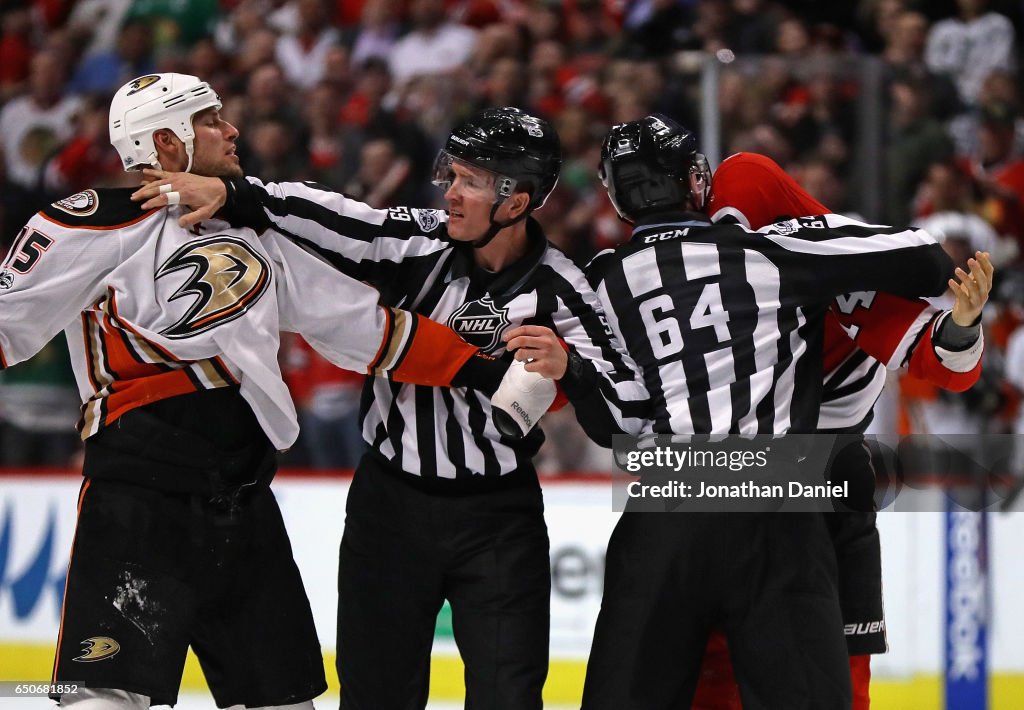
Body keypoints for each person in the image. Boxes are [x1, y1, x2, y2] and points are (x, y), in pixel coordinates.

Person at [0, 74, 539, 710]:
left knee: (285, 703)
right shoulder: (79, 227)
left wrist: (484, 372)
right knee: (102, 697)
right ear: (167, 143)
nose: (231, 130)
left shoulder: (254, 228)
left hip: (244, 498)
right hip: (138, 500)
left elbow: (359, 325)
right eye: (210, 121)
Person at [132, 107, 648, 709]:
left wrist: (573, 371)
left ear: (516, 201)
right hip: (389, 508)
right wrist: (233, 192)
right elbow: (330, 214)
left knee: (508, 698)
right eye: (450, 174)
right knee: (376, 695)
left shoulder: (563, 289)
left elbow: (628, 423)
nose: (450, 193)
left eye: (470, 181)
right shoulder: (417, 240)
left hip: (500, 520)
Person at [510, 114, 953, 709]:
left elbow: (616, 424)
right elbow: (924, 254)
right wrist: (817, 232)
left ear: (617, 200)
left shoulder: (598, 284)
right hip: (779, 509)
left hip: (666, 511)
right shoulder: (774, 252)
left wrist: (573, 375)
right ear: (697, 183)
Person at [693, 151, 992, 709]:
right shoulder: (701, 276)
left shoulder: (838, 272)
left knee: (801, 666)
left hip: (793, 474)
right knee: (746, 668)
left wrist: (959, 327)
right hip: (770, 476)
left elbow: (939, 360)